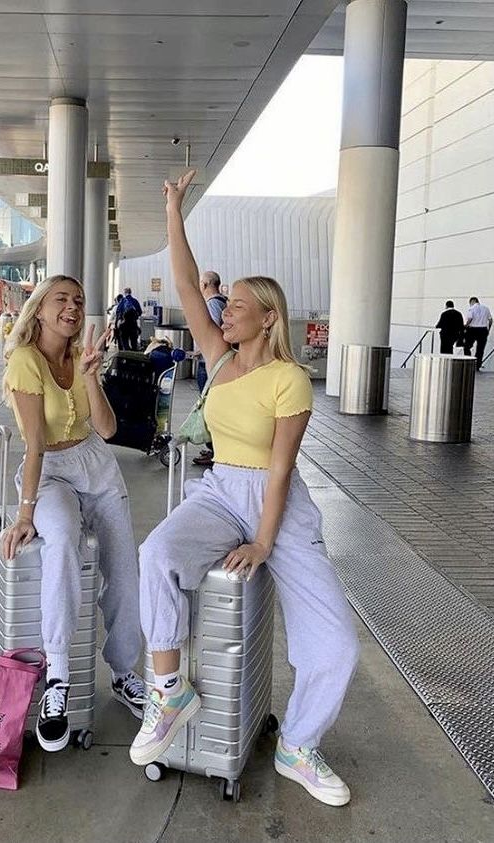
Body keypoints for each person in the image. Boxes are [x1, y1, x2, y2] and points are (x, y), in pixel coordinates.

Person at [129, 172, 360, 809]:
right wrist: (174, 207)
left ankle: (299, 745)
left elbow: (281, 470)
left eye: (235, 306)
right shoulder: (219, 358)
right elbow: (183, 279)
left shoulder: (291, 379)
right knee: (158, 555)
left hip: (276, 506)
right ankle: (169, 690)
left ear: (267, 318)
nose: (222, 309)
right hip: (219, 488)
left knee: (336, 642)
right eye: (223, 304)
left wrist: (263, 540)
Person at [1, 275, 145, 753]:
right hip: (49, 472)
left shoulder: (79, 359)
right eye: (61, 299)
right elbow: (35, 443)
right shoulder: (25, 361)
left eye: (79, 300)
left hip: (95, 464)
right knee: (60, 541)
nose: (72, 307)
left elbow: (106, 429)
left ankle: (125, 672)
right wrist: (25, 513)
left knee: (125, 568)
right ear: (39, 309)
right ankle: (58, 676)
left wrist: (89, 375)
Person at [193, 271, 228, 467]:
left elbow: (211, 333)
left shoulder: (213, 304)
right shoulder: (222, 302)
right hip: (214, 363)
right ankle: (214, 449)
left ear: (206, 284)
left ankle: (215, 450)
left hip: (210, 365)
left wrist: (198, 352)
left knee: (209, 407)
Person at [463, 296, 492, 370]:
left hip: (472, 330)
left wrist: (466, 326)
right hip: (483, 330)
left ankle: (468, 362)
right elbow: (490, 320)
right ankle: (477, 365)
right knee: (480, 349)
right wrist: (488, 329)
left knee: (467, 346)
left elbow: (470, 318)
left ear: (472, 302)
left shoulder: (471, 308)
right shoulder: (486, 308)